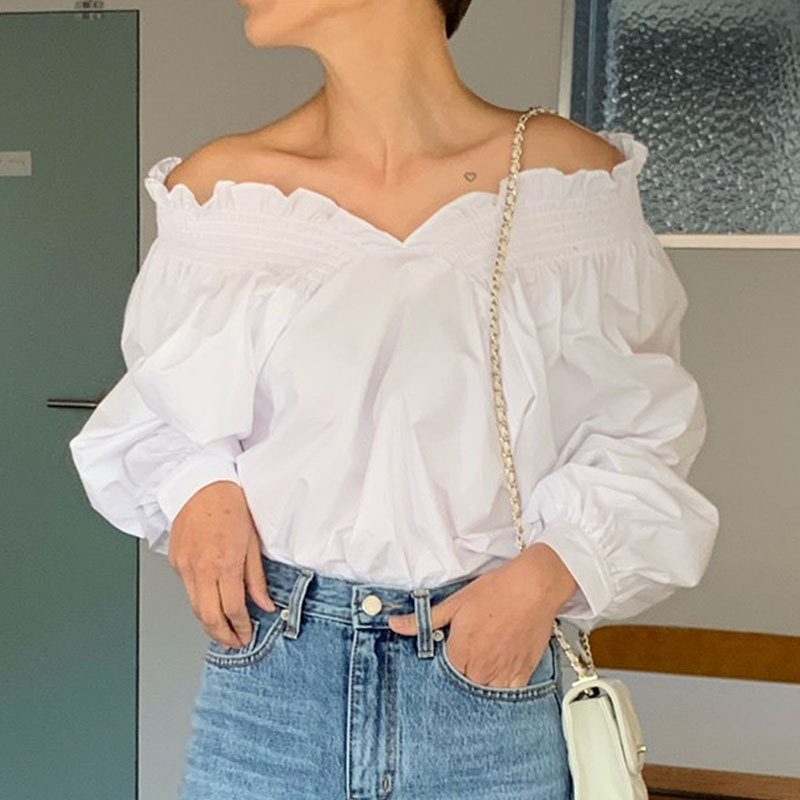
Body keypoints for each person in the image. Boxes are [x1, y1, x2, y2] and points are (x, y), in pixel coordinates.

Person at [68, 1, 720, 797]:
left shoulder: (567, 185)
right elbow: (158, 409)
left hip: (485, 680)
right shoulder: (223, 193)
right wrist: (196, 486)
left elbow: (642, 433)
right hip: (273, 679)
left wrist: (550, 574)